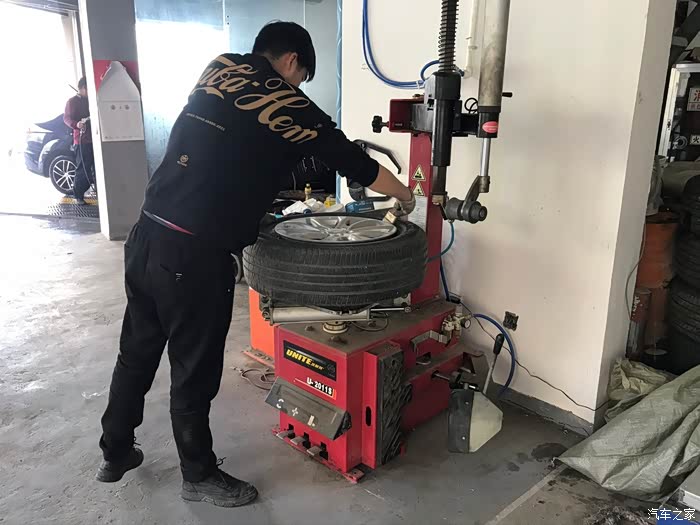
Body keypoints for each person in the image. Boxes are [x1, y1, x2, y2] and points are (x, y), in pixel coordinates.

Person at [96, 21, 415, 507]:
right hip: (195, 256)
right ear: (292, 61)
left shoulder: (219, 67)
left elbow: (228, 148)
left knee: (136, 353)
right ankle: (198, 474)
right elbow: (357, 163)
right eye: (302, 77)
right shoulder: (293, 106)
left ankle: (115, 451)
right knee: (194, 371)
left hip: (147, 234)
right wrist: (405, 194)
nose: (299, 87)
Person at [63, 77, 93, 204]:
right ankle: (78, 195)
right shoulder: (72, 102)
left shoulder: (91, 100)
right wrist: (77, 124)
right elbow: (66, 119)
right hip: (81, 141)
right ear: (83, 88)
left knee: (92, 167)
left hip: (93, 139)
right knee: (82, 168)